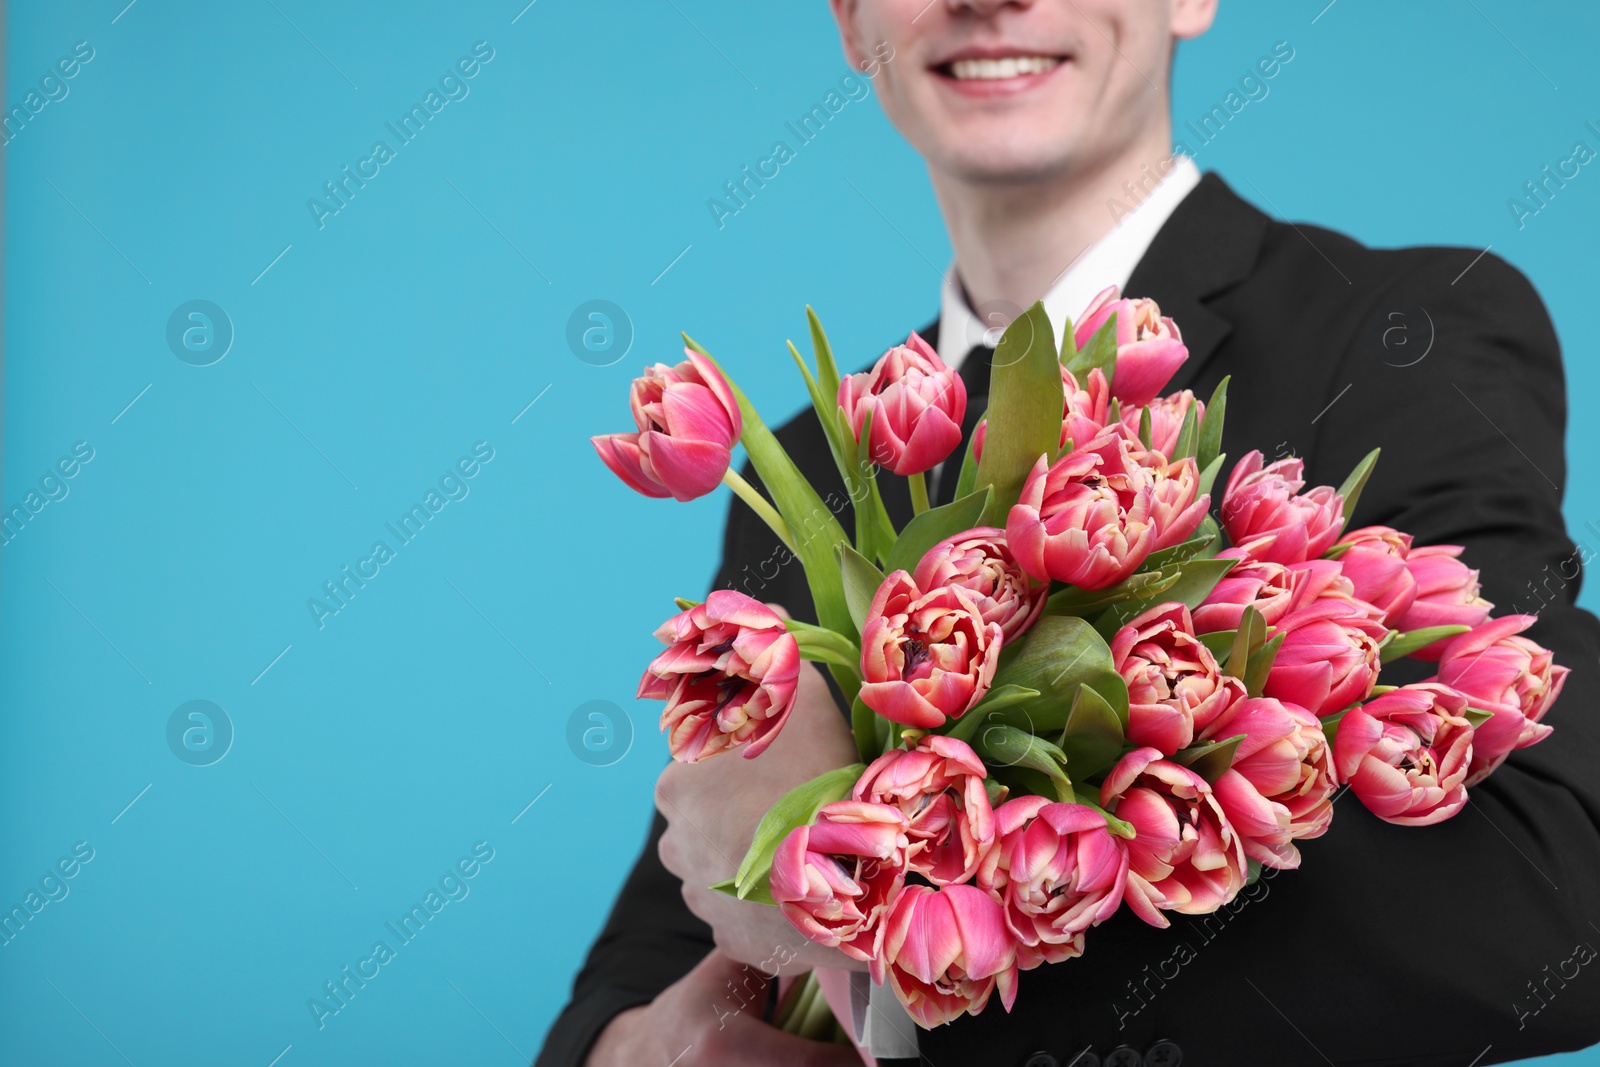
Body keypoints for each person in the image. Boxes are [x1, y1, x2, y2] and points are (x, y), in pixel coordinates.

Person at [539, 0, 1600, 1064]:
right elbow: (639, 971)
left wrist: (861, 873)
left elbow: (1559, 892)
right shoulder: (811, 461)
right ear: (851, 19)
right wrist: (650, 1048)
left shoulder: (1394, 335)